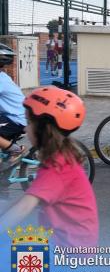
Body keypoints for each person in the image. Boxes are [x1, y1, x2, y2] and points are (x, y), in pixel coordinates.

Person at [0, 86, 98, 247]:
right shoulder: (60, 158)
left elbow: (24, 208)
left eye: (29, 122)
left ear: (44, 129)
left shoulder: (58, 168)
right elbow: (25, 200)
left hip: (70, 255)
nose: (25, 128)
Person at [0, 45, 27, 162]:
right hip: (10, 117)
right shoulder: (3, 76)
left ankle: (16, 150)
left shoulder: (1, 79)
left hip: (17, 120)